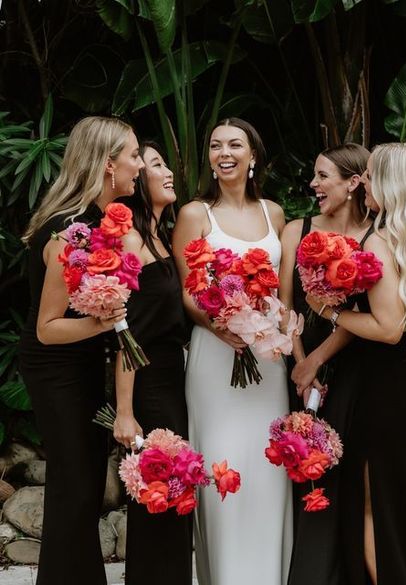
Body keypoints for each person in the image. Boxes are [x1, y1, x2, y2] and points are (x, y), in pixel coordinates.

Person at [305, 142, 406, 585]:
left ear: (391, 184)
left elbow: (388, 327)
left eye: (371, 175)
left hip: (393, 383)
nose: (364, 183)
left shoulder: (379, 239)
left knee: (375, 504)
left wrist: (327, 310)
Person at [18, 116, 143, 585]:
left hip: (88, 365)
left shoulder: (103, 223)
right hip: (56, 370)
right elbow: (47, 329)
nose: (139, 165)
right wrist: (107, 320)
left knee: (87, 486)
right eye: (133, 155)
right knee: (74, 487)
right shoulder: (69, 231)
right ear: (108, 165)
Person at [172, 117, 292, 585]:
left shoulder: (275, 214)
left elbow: (283, 296)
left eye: (235, 144)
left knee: (266, 468)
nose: (224, 152)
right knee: (223, 465)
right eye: (216, 145)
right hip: (215, 357)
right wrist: (218, 323)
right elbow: (186, 290)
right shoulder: (195, 214)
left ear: (253, 155)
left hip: (267, 358)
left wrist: (273, 332)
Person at [279, 143, 371, 585]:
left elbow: (370, 316)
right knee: (311, 471)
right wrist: (301, 366)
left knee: (352, 478)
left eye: (322, 176)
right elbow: (285, 305)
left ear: (353, 183)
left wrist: (317, 360)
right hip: (301, 373)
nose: (313, 185)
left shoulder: (374, 236)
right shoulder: (296, 230)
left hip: (358, 369)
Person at [112, 141, 192, 584]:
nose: (168, 171)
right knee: (158, 494)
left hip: (172, 376)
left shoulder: (160, 236)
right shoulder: (129, 239)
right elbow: (126, 332)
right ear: (139, 178)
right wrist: (125, 412)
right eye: (157, 164)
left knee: (174, 494)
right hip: (147, 384)